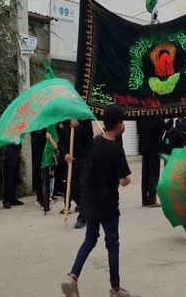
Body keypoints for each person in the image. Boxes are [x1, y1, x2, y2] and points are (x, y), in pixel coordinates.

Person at [61, 105, 135, 297]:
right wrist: (127, 180)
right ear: (118, 125)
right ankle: (116, 289)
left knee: (89, 239)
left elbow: (87, 167)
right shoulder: (116, 149)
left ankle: (73, 278)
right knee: (112, 244)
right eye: (123, 122)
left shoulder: (95, 142)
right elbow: (123, 180)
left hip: (91, 202)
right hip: (108, 204)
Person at [60, 119, 94, 228]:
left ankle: (82, 218)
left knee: (83, 187)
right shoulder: (65, 122)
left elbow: (89, 135)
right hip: (72, 161)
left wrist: (78, 126)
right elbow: (61, 142)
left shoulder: (85, 120)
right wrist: (65, 154)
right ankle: (88, 207)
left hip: (85, 158)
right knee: (73, 188)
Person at [137, 118, 166, 207]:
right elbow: (164, 127)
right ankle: (152, 199)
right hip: (154, 148)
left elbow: (139, 131)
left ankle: (145, 199)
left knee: (145, 175)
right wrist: (170, 121)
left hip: (144, 148)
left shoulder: (141, 116)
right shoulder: (156, 115)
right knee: (153, 174)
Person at [2, 143, 24, 208]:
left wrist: (20, 149)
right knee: (9, 176)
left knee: (15, 176)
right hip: (10, 150)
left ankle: (13, 198)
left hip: (17, 150)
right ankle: (6, 200)